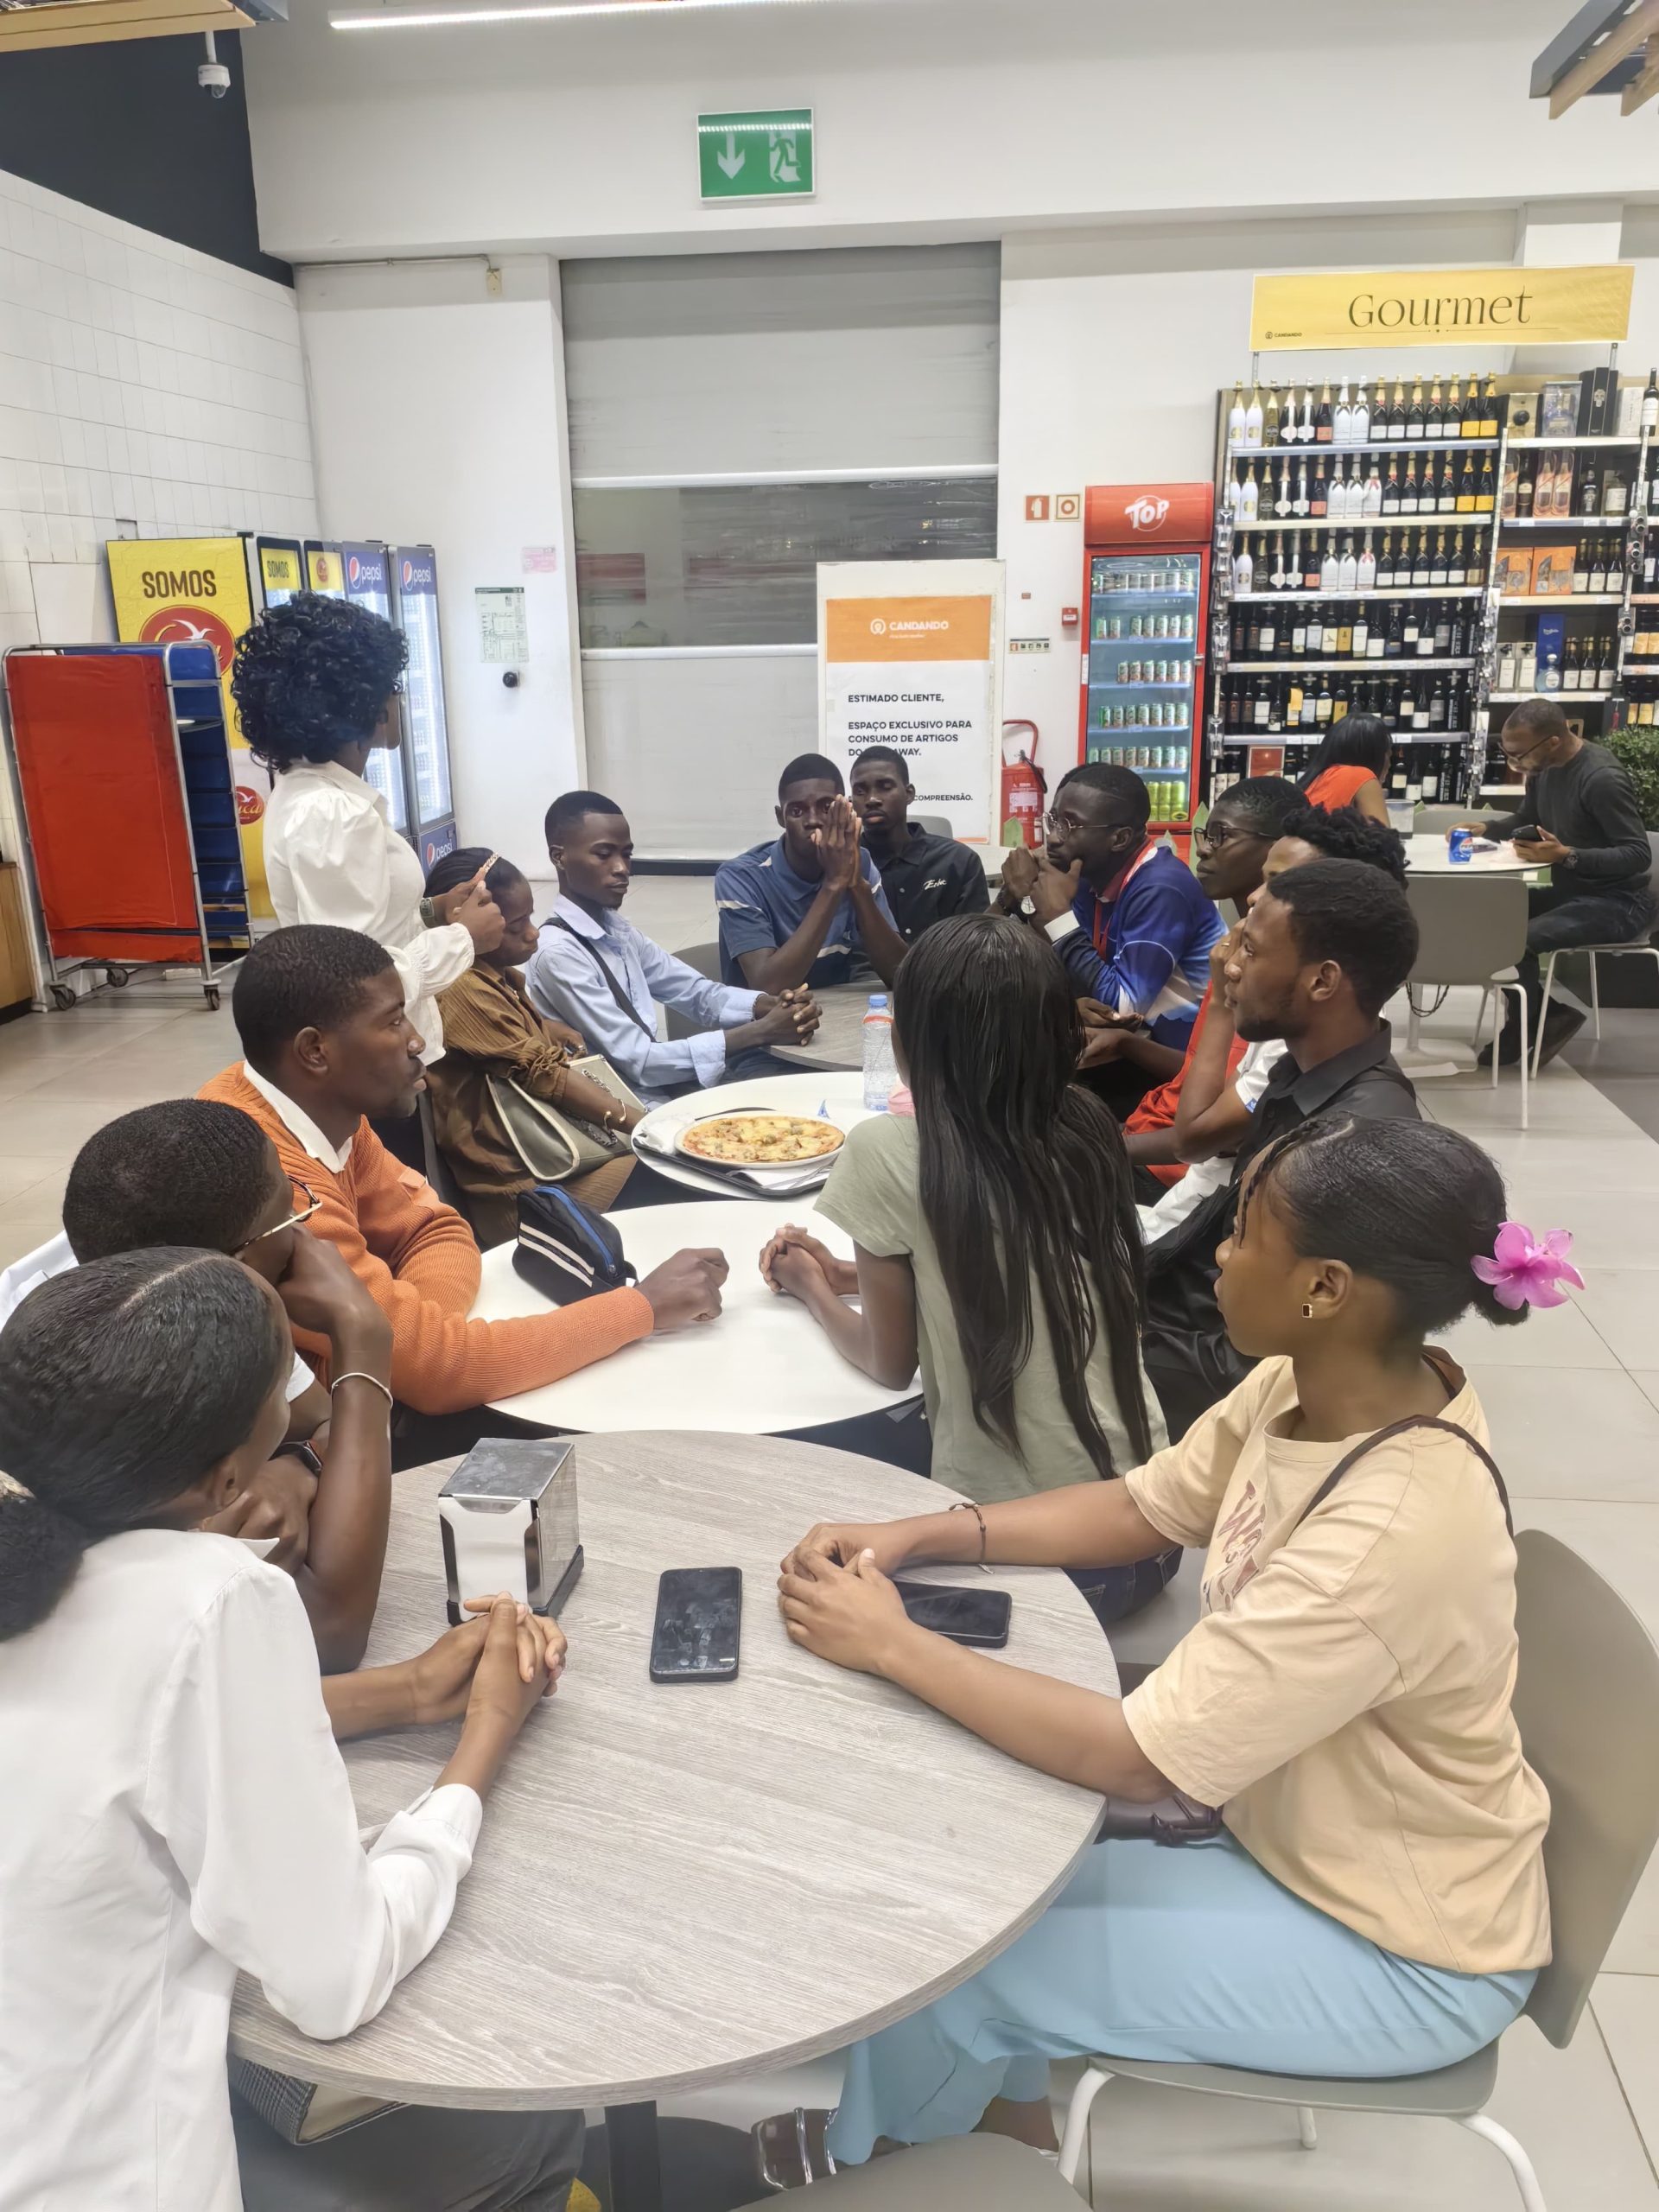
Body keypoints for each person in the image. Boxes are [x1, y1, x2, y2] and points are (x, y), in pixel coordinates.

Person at [777, 1116, 1554, 2168]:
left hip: (1403, 1947)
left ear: (1325, 1287)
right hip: (1298, 1843)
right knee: (974, 1893)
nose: (1219, 1255)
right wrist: (922, 1533)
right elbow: (1145, 1506)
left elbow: (1138, 1760)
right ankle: (997, 2141)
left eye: (1244, 1233)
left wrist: (889, 1642)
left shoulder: (1390, 1533)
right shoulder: (1315, 1384)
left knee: (955, 1967)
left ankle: (888, 2167)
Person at [0, 1248, 579, 2212]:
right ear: (231, 1473)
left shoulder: (47, 1576)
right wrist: (482, 1746)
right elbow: (334, 1979)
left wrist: (407, 1691)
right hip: (110, 2179)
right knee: (525, 2145)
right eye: (285, 1387)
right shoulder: (211, 1598)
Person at [758, 912, 1171, 1624]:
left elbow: (889, 1364)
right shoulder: (1085, 1123)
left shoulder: (888, 1148)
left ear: (906, 1040)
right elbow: (1011, 1260)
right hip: (1151, 1529)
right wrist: (853, 1274)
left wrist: (813, 1287)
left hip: (1035, 1568)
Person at [200, 925, 728, 1427]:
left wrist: (416, 1337)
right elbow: (441, 1375)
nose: (417, 1042)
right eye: (393, 1022)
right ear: (316, 1051)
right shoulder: (266, 1181)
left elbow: (437, 1229)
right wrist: (644, 1306)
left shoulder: (321, 1107)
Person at [1, 1099, 396, 1672]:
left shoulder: (139, 1284)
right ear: (237, 1262)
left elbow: (323, 1422)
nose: (305, 1234)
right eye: (287, 1216)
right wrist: (362, 1338)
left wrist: (298, 1467)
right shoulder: (103, 1395)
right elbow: (329, 1635)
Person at [1141, 858, 1421, 1438]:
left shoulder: (1351, 1145)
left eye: (1251, 951)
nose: (1229, 968)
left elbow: (1266, 1359)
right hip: (1187, 1321)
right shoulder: (1299, 1071)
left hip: (1220, 1385)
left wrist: (1113, 1350)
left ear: (1322, 982)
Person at [234, 593, 505, 1076]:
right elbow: (355, 983)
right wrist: (465, 938)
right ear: (366, 705)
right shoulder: (333, 813)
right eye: (392, 686)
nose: (398, 699)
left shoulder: (309, 792)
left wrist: (431, 911)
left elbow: (360, 927)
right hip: (375, 1063)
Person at [1141, 802, 1409, 1243]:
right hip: (1185, 1227)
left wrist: (1223, 1002)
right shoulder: (1294, 1055)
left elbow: (1193, 1141)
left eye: (1281, 884)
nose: (1255, 896)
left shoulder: (1347, 1126)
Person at [529, 791, 822, 1107]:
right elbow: (643, 1062)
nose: (622, 868)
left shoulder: (617, 931)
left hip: (662, 1094)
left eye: (626, 854)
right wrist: (762, 1031)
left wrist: (770, 1005)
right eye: (603, 855)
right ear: (559, 857)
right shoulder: (558, 954)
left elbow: (695, 992)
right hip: (626, 1112)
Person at [425, 845, 641, 1241]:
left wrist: (546, 1026)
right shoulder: (461, 987)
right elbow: (546, 1075)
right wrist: (642, 1124)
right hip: (525, 1198)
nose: (533, 933)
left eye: (530, 917)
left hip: (558, 1166)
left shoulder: (494, 975)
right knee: (666, 1165)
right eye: (514, 926)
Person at [1001, 763, 1225, 1116]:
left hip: (1178, 1072)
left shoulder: (1161, 888)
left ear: (1119, 839)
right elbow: (1036, 965)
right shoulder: (1086, 875)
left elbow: (1123, 1007)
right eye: (1054, 820)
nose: (1054, 837)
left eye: (1070, 825)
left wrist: (1058, 917)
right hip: (1122, 1052)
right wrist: (1018, 896)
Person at [1452, 697, 1656, 1067]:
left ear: (1552, 742)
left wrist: (1566, 855)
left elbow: (1638, 854)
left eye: (1519, 755)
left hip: (1619, 901)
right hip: (1571, 891)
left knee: (1520, 941)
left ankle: (1525, 1026)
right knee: (1489, 921)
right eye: (1508, 754)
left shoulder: (1601, 779)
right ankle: (1548, 1017)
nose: (1515, 764)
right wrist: (1486, 828)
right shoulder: (1543, 770)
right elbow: (1528, 818)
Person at [1123, 775, 1303, 1188]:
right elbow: (1205, 1070)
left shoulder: (1270, 978)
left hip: (1179, 1169)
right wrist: (1123, 1043)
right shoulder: (1231, 947)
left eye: (1222, 836)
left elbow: (1199, 1139)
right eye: (1207, 834)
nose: (1204, 848)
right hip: (1159, 1131)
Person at [715, 753, 906, 991]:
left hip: (836, 1009)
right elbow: (768, 985)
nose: (813, 821)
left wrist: (856, 884)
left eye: (826, 808)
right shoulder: (741, 877)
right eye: (797, 811)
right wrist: (834, 884)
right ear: (780, 818)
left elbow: (900, 975)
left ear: (846, 810)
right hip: (765, 1014)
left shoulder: (860, 861)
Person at [849, 746, 989, 941]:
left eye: (885, 787)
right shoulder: (846, 866)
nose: (872, 799)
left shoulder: (959, 862)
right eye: (860, 791)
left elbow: (978, 945)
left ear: (909, 794)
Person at [1297, 712, 1393, 823]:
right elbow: (1382, 832)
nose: (1389, 764)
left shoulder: (1317, 778)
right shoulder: (1361, 777)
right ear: (1373, 755)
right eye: (1388, 755)